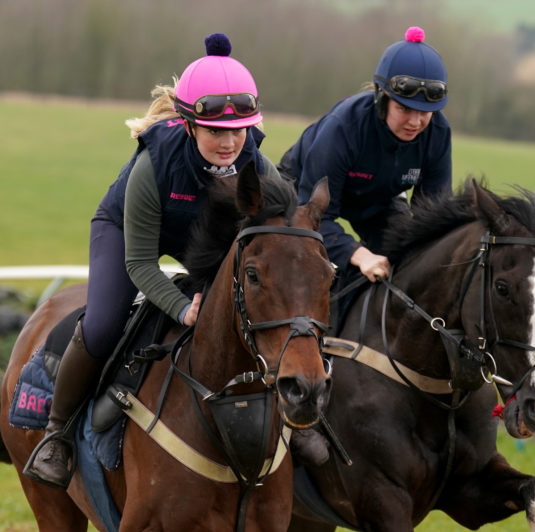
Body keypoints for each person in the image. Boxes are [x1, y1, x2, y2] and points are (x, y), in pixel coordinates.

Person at [25, 33, 282, 489]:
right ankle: (56, 433)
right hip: (128, 230)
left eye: (238, 132)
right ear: (188, 126)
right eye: (215, 132)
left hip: (202, 238)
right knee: (105, 324)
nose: (229, 144)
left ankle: (298, 427)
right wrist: (182, 308)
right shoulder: (154, 164)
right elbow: (142, 263)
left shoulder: (260, 168)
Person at [278, 26, 453, 466]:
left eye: (425, 113)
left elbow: (433, 217)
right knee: (327, 278)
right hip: (303, 202)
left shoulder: (438, 133)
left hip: (375, 204)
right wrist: (358, 255)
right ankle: (300, 407)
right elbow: (317, 214)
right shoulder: (343, 127)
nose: (415, 121)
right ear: (381, 98)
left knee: (413, 264)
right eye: (404, 108)